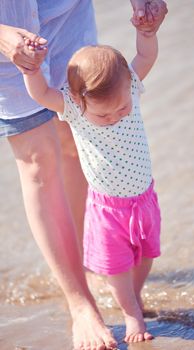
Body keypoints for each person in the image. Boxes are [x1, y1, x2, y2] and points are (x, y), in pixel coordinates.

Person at [0, 0, 167, 349]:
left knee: (148, 254)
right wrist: (32, 72)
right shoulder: (74, 107)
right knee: (116, 267)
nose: (116, 118)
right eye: (104, 116)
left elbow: (146, 58)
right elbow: (44, 94)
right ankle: (120, 310)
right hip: (107, 211)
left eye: (121, 110)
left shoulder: (129, 90)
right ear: (78, 102)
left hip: (143, 199)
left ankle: (131, 297)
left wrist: (145, 30)